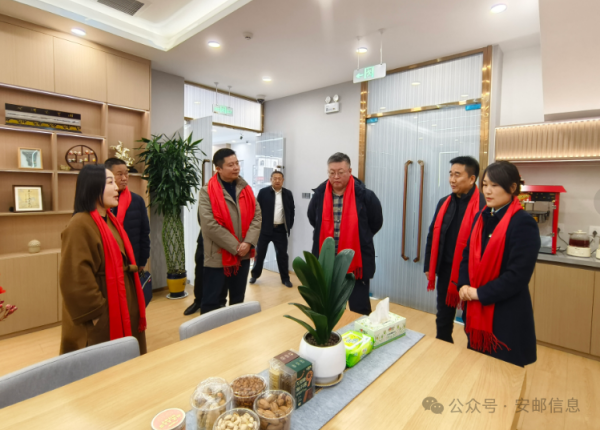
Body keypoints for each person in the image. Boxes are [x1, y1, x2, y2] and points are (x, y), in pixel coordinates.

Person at [457, 161, 539, 367]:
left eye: (495, 185)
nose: (488, 191)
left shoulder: (523, 222)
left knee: (503, 374)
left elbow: (517, 276)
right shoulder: (481, 216)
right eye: (485, 185)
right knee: (476, 369)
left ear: (512, 187)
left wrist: (479, 293)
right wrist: (463, 284)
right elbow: (467, 255)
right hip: (475, 309)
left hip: (505, 314)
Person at [59, 164, 147, 355]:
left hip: (120, 303)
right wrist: (97, 314)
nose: (116, 187)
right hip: (101, 312)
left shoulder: (109, 220)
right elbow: (75, 278)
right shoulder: (79, 224)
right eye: (110, 182)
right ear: (93, 187)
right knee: (99, 364)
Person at [307, 152, 383, 316]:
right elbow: (313, 219)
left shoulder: (365, 196)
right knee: (327, 306)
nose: (336, 176)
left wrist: (360, 236)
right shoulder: (320, 195)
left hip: (356, 262)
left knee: (359, 308)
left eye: (340, 172)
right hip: (327, 260)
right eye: (332, 172)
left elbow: (376, 222)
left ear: (350, 171)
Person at [424, 156, 485, 344]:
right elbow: (432, 234)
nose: (452, 179)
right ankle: (442, 348)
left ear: (472, 179)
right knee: (443, 317)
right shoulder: (444, 203)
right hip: (446, 270)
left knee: (471, 320)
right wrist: (428, 266)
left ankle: (473, 354)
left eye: (457, 175)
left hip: (472, 274)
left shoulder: (484, 205)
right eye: (450, 174)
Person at [198, 148, 262, 314]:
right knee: (212, 301)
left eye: (237, 163)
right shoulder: (207, 191)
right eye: (231, 165)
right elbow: (209, 225)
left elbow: (257, 217)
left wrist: (248, 242)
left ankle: (235, 328)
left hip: (243, 255)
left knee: (238, 300)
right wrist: (236, 247)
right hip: (218, 255)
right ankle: (210, 330)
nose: (236, 168)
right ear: (218, 169)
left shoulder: (246, 189)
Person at [250, 171, 295, 288]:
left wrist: (289, 225)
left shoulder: (288, 194)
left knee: (282, 255)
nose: (277, 180)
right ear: (271, 180)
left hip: (280, 230)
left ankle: (285, 279)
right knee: (260, 254)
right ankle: (254, 275)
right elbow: (257, 210)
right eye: (275, 178)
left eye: (279, 178)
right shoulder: (263, 192)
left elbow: (291, 210)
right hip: (264, 229)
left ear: (283, 180)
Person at [105, 158, 150, 274]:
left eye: (126, 174)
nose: (124, 178)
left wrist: (143, 260)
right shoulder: (101, 203)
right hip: (107, 261)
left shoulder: (137, 200)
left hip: (132, 260)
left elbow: (144, 233)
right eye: (120, 174)